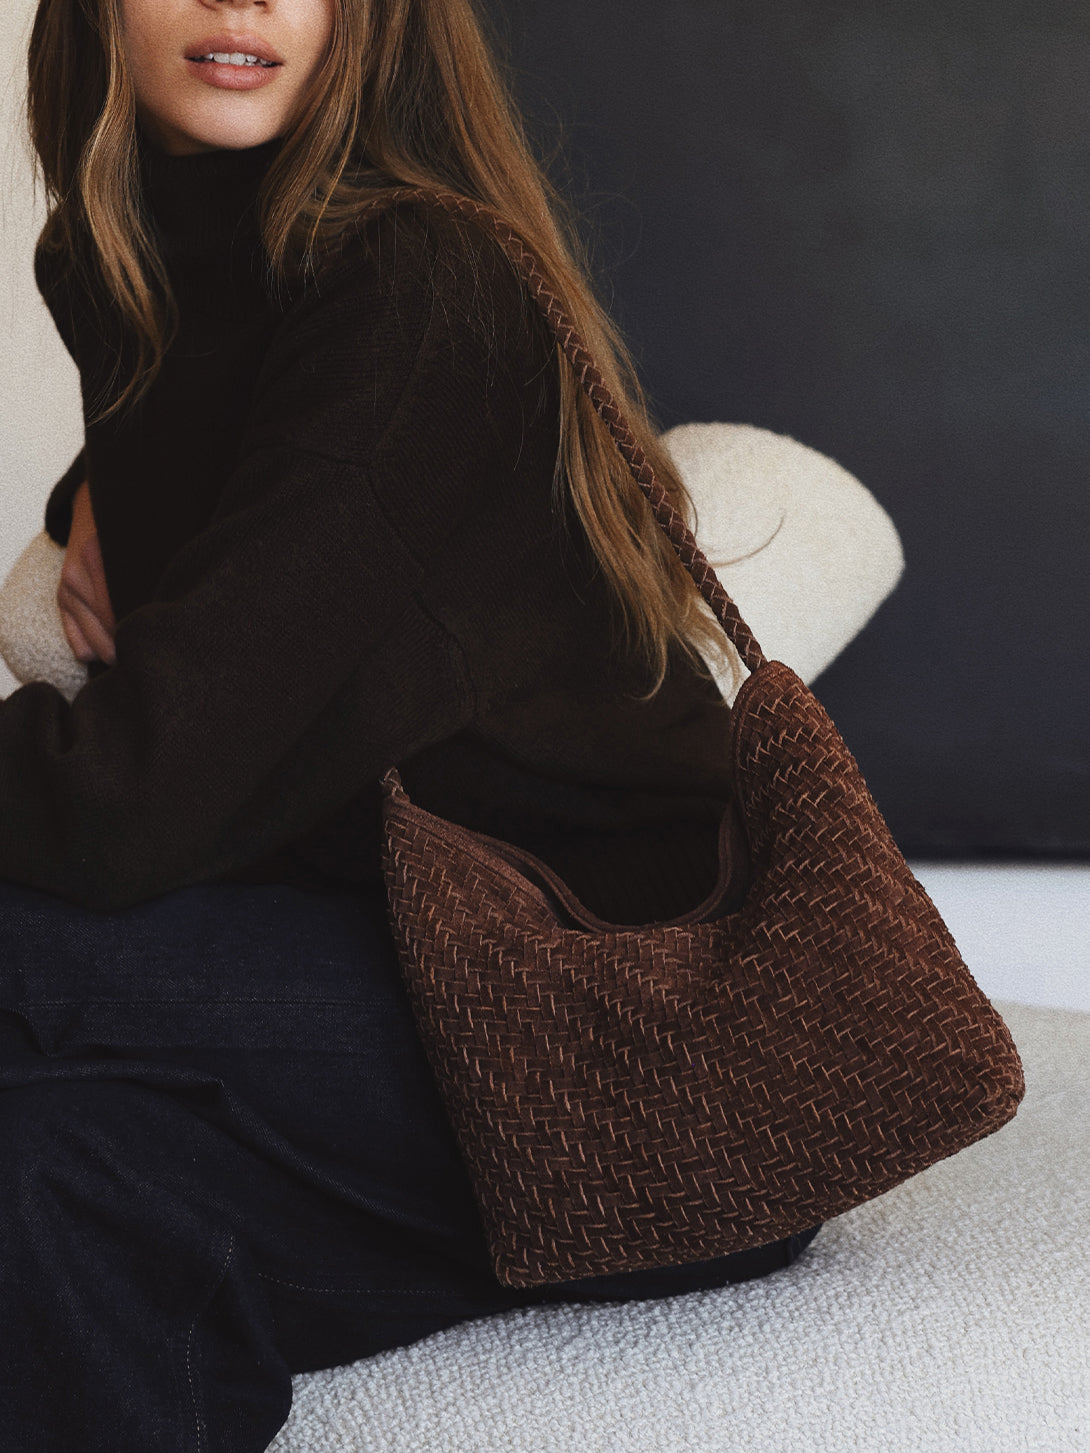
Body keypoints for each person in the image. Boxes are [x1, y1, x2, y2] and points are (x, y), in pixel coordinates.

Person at [2, 0, 822, 1447]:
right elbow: (276, 494)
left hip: (639, 1052)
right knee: (41, 1169)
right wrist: (87, 496)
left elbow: (135, 798)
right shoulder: (132, 264)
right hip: (390, 975)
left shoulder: (417, 284)